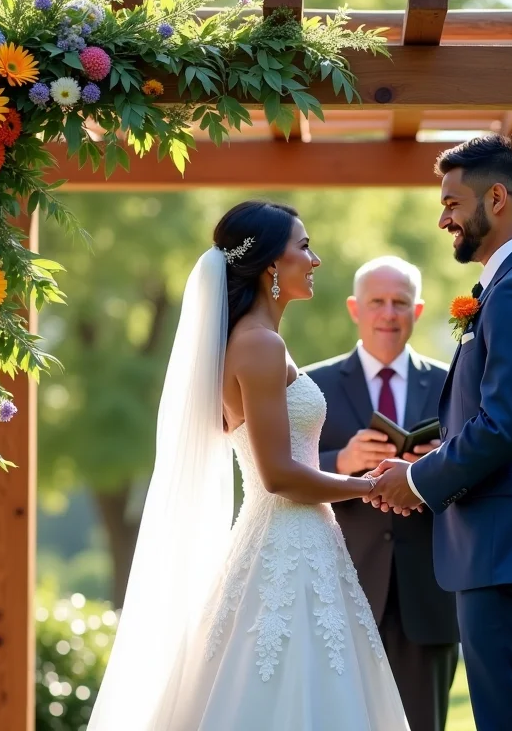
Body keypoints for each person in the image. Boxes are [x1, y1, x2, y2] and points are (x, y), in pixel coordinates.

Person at [88, 201, 410, 730]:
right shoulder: (259, 345)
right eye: (304, 247)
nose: (316, 259)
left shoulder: (260, 344)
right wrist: (369, 484)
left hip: (298, 538)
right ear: (269, 266)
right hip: (286, 536)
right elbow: (278, 476)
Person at [367, 134, 512, 731]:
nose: (443, 219)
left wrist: (416, 478)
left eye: (452, 203)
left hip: (506, 544)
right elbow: (499, 422)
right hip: (503, 543)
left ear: (495, 199)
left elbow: (503, 428)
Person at [305, 256, 460, 731]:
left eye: (400, 302)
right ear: (355, 308)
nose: (388, 313)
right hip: (339, 589)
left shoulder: (453, 383)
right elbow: (281, 474)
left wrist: (439, 469)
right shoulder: (312, 385)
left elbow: (482, 469)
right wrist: (341, 462)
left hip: (429, 595)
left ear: (418, 310)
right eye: (377, 302)